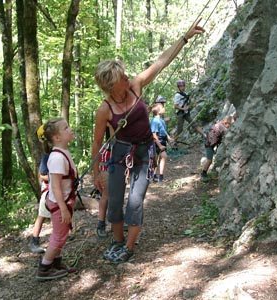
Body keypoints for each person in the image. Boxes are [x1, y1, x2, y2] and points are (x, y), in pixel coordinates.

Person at [92, 20, 205, 264]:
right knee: (113, 203)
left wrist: (184, 38)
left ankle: (129, 248)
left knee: (135, 200)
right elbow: (97, 143)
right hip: (119, 153)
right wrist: (96, 172)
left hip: (144, 152)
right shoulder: (104, 110)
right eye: (121, 76)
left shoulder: (135, 86)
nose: (126, 76)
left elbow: (161, 63)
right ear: (112, 85)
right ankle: (117, 241)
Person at [36, 117, 78, 281]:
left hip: (65, 202)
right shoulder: (57, 158)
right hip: (60, 203)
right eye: (66, 128)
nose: (70, 129)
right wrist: (62, 208)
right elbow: (55, 187)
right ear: (57, 138)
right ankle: (45, 268)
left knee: (62, 233)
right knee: (59, 236)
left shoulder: (62, 153)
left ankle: (56, 262)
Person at [29, 125, 51, 253]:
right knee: (42, 215)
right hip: (48, 191)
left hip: (54, 190)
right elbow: (42, 175)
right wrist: (55, 177)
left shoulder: (56, 153)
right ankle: (34, 240)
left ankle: (62, 235)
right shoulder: (47, 156)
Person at [201, 116, 233, 182]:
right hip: (209, 144)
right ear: (225, 122)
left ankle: (204, 172)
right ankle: (203, 174)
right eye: (229, 125)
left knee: (209, 159)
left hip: (209, 142)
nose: (229, 126)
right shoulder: (221, 126)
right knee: (209, 160)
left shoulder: (219, 123)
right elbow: (227, 133)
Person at [96, 123, 114, 239]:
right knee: (106, 196)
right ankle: (101, 224)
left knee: (116, 196)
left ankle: (115, 222)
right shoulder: (107, 145)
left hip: (114, 169)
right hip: (106, 170)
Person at [150, 100, 173, 182]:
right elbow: (154, 134)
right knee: (163, 157)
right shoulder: (155, 121)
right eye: (162, 107)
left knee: (159, 159)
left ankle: (154, 175)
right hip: (157, 141)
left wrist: (168, 137)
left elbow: (163, 130)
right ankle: (160, 177)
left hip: (162, 140)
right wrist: (159, 145)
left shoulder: (161, 120)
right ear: (158, 111)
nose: (164, 108)